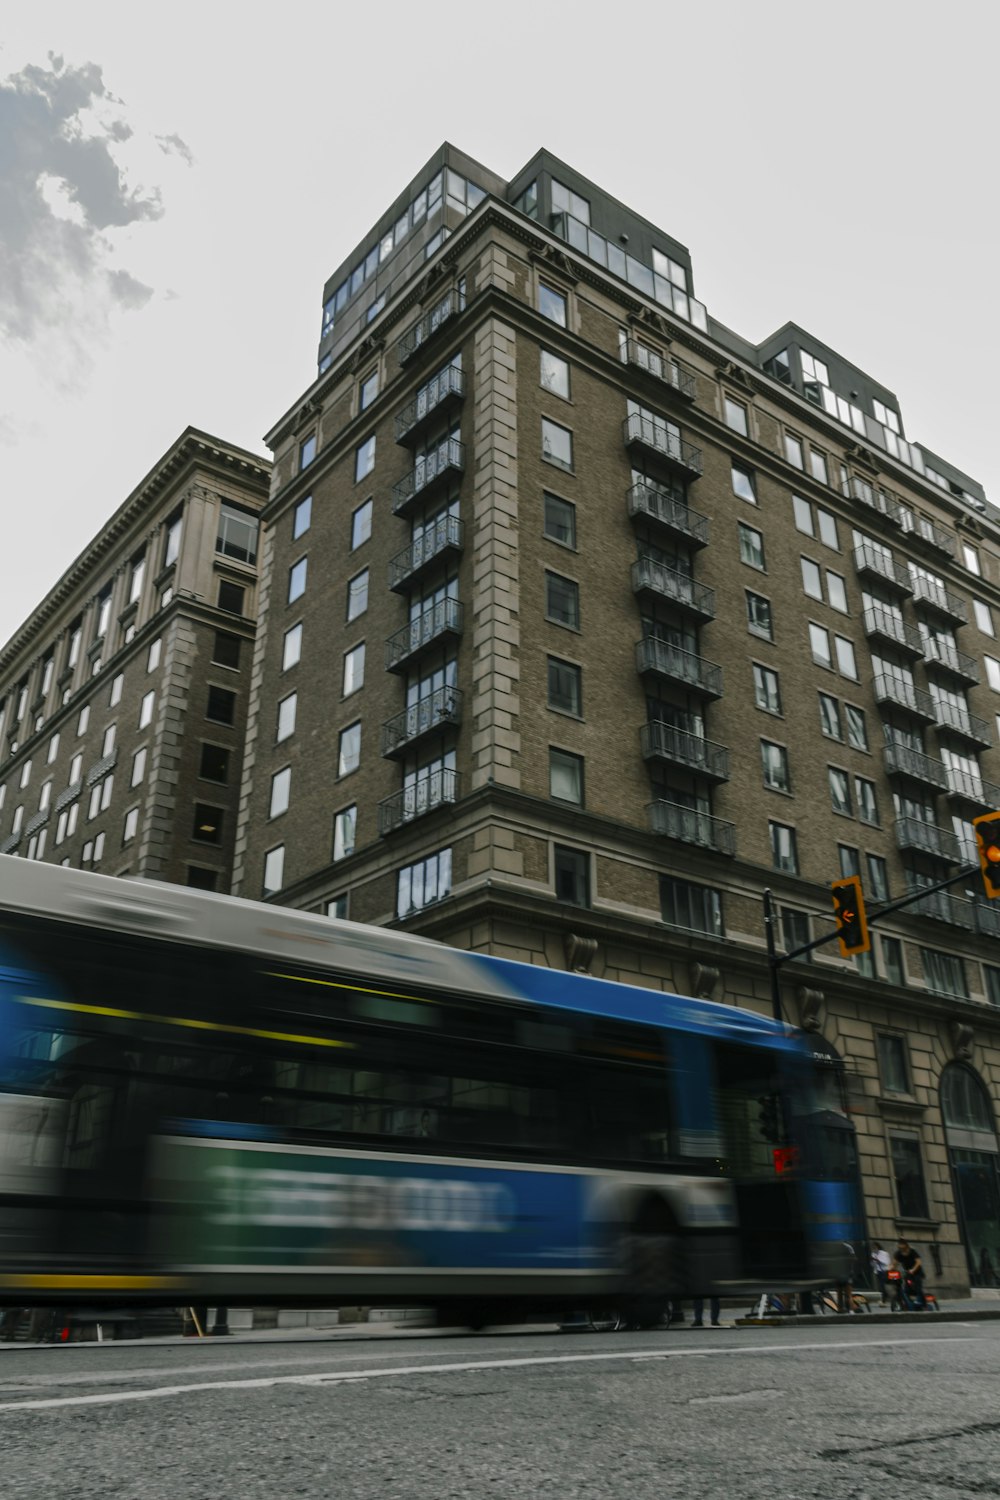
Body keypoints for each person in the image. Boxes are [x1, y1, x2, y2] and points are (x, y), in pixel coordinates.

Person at [893, 1240, 925, 1309]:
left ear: (906, 1245)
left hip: (917, 1272)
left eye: (901, 1245)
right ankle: (908, 1303)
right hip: (908, 1272)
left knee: (917, 1286)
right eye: (899, 1245)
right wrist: (889, 1270)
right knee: (907, 1288)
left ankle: (919, 1300)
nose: (900, 1247)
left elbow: (918, 1262)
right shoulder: (898, 1254)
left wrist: (913, 1270)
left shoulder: (912, 1252)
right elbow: (894, 1264)